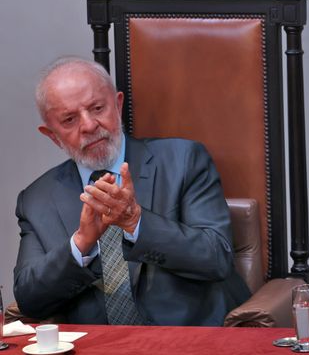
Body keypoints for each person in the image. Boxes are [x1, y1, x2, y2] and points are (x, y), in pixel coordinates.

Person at [14, 56, 250, 325]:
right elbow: (29, 299)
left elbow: (217, 258)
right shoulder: (37, 200)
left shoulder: (183, 161)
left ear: (117, 104)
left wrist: (136, 223)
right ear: (52, 135)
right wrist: (81, 244)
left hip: (187, 339)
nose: (89, 125)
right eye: (69, 119)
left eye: (97, 108)